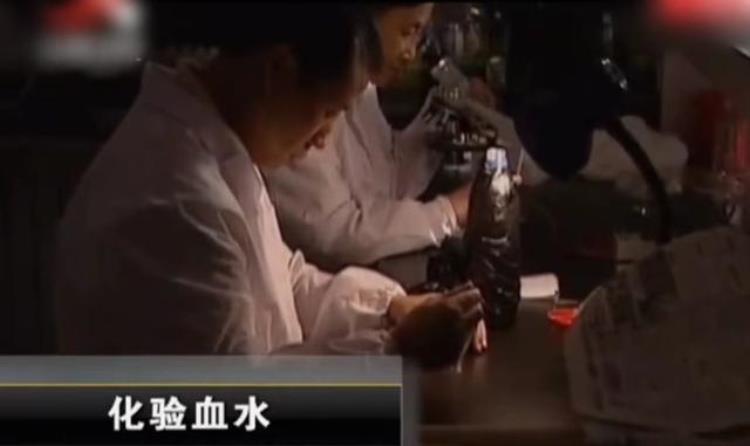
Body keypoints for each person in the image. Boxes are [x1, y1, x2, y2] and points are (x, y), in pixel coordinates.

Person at [53, 3, 486, 361]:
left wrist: (389, 308)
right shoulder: (181, 203)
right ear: (278, 69)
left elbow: (286, 283)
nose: (323, 139)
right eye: (328, 111)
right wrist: (393, 349)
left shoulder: (213, 143)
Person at [263, 2, 497, 273]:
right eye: (407, 31)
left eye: (420, 36)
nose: (411, 53)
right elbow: (334, 235)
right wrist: (449, 211)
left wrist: (445, 114)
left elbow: (384, 186)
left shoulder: (365, 90)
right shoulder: (301, 100)